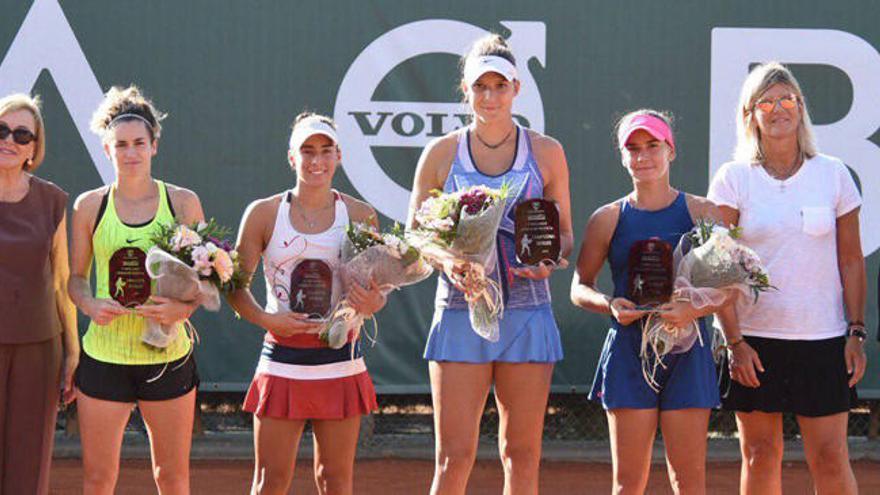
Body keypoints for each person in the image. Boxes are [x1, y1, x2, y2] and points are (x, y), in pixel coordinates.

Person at [407, 34, 573, 495]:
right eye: (481, 87)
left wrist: (549, 261)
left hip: (528, 313)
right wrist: (448, 261)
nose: (490, 96)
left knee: (521, 455)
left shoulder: (547, 152)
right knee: (452, 458)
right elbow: (416, 234)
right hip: (461, 314)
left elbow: (565, 234)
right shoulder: (441, 154)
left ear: (516, 89)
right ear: (467, 91)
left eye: (500, 86)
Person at [709, 62, 866, 495]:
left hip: (823, 339)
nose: (779, 109)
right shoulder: (733, 178)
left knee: (831, 457)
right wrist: (735, 343)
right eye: (767, 101)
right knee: (759, 454)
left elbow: (851, 260)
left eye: (788, 99)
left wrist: (855, 332)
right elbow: (719, 268)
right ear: (750, 115)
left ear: (800, 107)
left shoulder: (832, 173)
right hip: (754, 342)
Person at [229, 112, 386, 495]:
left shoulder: (362, 215)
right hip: (282, 358)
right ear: (291, 157)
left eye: (325, 151)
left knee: (335, 481)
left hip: (340, 358)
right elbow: (234, 287)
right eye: (307, 151)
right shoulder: (263, 213)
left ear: (339, 156)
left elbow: (378, 292)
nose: (316, 160)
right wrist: (268, 320)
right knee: (270, 482)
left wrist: (372, 301)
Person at [571, 109, 725, 494]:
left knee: (688, 481)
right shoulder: (607, 218)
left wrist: (695, 309)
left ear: (670, 150)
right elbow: (579, 286)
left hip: (689, 352)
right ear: (623, 157)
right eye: (633, 149)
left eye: (652, 146)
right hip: (628, 351)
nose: (643, 157)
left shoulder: (703, 213)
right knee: (627, 484)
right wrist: (610, 305)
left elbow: (731, 287)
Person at [68, 86, 204, 494]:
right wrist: (90, 304)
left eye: (139, 144)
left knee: (172, 477)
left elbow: (206, 277)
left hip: (167, 356)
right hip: (103, 357)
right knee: (98, 479)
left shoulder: (182, 202)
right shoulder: (89, 206)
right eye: (121, 145)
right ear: (107, 150)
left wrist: (183, 311)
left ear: (154, 146)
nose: (131, 153)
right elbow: (75, 278)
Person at [0, 93, 78, 494]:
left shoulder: (52, 200)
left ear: (34, 147)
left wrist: (72, 352)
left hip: (39, 347)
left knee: (29, 466)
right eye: (1, 130)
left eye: (21, 134)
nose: (8, 140)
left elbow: (63, 282)